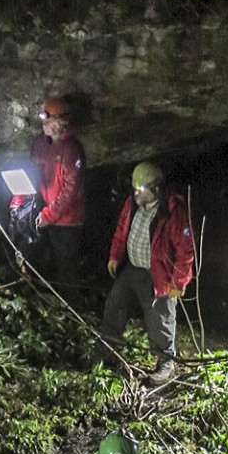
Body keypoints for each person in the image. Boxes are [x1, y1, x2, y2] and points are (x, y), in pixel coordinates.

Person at [96, 160, 194, 385]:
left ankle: (165, 363)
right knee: (114, 305)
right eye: (135, 188)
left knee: (159, 319)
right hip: (132, 268)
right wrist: (114, 256)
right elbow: (122, 230)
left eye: (141, 189)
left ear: (156, 189)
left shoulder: (172, 211)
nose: (136, 192)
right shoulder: (133, 203)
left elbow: (186, 250)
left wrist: (178, 282)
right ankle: (105, 352)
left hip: (157, 275)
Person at [27, 97, 86, 298]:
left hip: (68, 221)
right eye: (44, 119)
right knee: (44, 256)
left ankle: (71, 306)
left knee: (66, 265)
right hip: (46, 212)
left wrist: (49, 214)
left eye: (49, 120)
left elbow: (70, 190)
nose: (45, 124)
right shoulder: (41, 144)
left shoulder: (71, 150)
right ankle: (46, 300)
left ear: (62, 123)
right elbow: (32, 171)